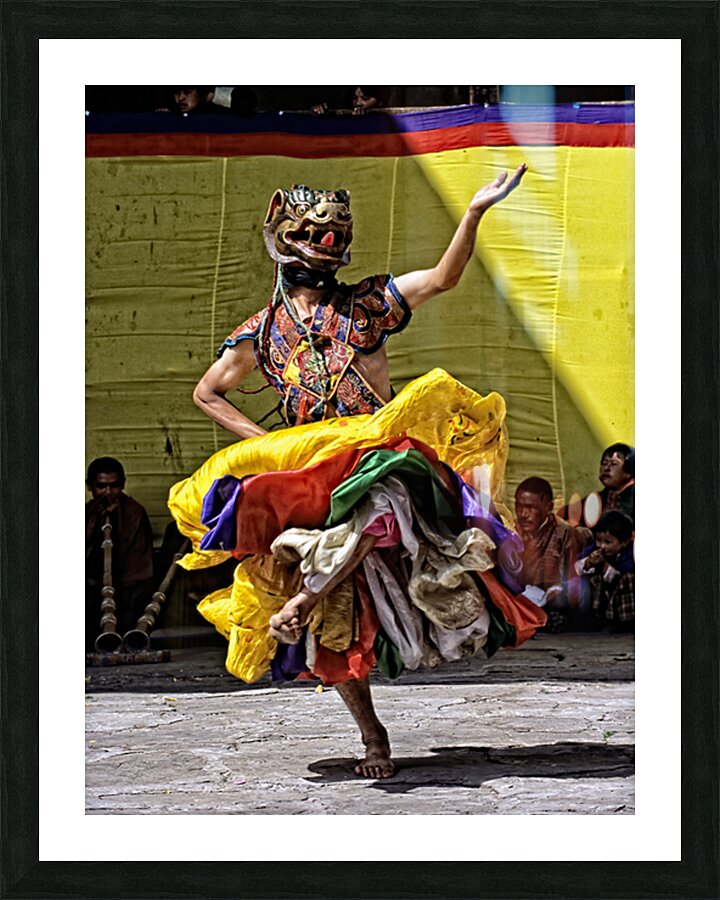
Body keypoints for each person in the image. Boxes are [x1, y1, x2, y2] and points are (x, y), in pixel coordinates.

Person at [171, 165, 545, 779]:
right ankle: (371, 732)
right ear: (285, 236)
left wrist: (474, 211)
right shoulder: (263, 331)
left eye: (333, 235)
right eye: (313, 233)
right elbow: (208, 393)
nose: (325, 244)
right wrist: (271, 446)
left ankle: (303, 599)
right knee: (337, 628)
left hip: (375, 453)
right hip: (313, 471)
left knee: (382, 503)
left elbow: (443, 278)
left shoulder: (365, 304)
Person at [85, 457, 154, 650]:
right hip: (93, 587)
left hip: (129, 587)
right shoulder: (85, 513)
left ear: (123, 484)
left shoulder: (134, 512)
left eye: (114, 486)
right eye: (101, 486)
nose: (108, 493)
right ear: (90, 486)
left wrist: (115, 521)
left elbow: (136, 561)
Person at [514, 477, 592, 626]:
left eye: (531, 507)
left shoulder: (563, 534)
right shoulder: (512, 529)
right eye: (519, 506)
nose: (523, 514)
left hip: (553, 595)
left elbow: (570, 578)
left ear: (548, 507)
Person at [576, 511, 634, 633]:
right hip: (601, 595)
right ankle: (595, 618)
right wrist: (588, 562)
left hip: (621, 597)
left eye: (608, 542)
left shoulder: (627, 555)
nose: (602, 546)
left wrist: (605, 566)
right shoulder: (594, 549)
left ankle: (625, 623)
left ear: (624, 542)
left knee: (628, 579)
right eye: (598, 540)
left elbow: (622, 573)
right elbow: (577, 565)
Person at [564, 443, 635, 528]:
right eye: (604, 463)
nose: (606, 468)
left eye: (613, 464)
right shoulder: (597, 499)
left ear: (629, 470)